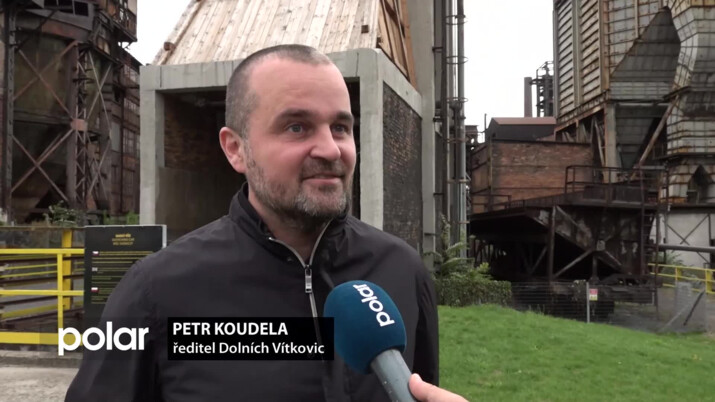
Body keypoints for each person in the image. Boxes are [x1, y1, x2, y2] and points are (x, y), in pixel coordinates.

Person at [65, 44, 439, 401]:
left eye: (341, 127)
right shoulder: (154, 292)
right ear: (236, 149)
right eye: (297, 127)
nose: (330, 149)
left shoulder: (401, 271)